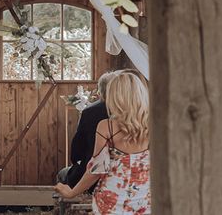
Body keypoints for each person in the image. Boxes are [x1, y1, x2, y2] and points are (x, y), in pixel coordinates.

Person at [54, 72, 150, 214]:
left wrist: (71, 192)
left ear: (115, 96)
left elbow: (97, 169)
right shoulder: (156, 126)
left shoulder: (107, 126)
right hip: (146, 200)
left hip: (112, 199)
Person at [57, 71, 117, 188]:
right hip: (122, 175)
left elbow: (77, 149)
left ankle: (61, 204)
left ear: (100, 90)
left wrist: (77, 161)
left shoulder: (90, 112)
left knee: (62, 174)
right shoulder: (130, 112)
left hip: (93, 175)